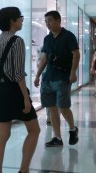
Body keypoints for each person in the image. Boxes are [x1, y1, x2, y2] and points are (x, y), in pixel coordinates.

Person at [0, 7, 40, 173]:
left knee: (2, 136)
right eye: (20, 17)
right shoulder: (17, 41)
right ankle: (24, 170)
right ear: (12, 21)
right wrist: (26, 98)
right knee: (34, 130)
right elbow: (19, 73)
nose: (22, 20)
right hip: (15, 90)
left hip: (0, 90)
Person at [34, 10, 80, 147]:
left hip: (62, 77)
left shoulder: (68, 36)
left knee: (63, 107)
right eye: (46, 21)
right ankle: (57, 138)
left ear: (58, 21)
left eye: (50, 20)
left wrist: (73, 72)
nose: (48, 23)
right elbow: (44, 58)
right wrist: (37, 75)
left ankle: (72, 129)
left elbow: (76, 55)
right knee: (51, 109)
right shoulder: (47, 39)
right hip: (47, 78)